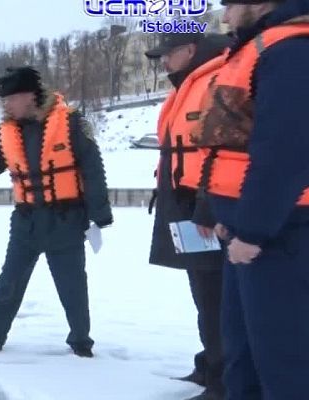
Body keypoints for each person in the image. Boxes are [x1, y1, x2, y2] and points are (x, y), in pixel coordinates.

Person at [0, 66, 113, 358]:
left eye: (11, 98)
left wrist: (100, 212)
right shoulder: (8, 133)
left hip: (65, 220)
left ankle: (81, 341)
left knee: (72, 285)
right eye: (4, 99)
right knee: (10, 282)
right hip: (26, 222)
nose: (6, 104)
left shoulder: (70, 122)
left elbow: (93, 167)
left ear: (30, 95)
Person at [192, 0, 309, 398]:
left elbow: (285, 153)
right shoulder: (261, 47)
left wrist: (254, 231)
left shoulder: (292, 52)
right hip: (249, 228)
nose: (224, 16)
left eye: (230, 6)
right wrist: (236, 220)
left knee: (282, 359)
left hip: (282, 232)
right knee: (242, 351)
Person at [144, 32, 231, 400]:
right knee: (202, 291)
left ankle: (223, 381)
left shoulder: (217, 81)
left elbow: (223, 150)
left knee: (215, 295)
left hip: (206, 207)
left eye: (168, 54)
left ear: (190, 50)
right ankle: (210, 362)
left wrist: (208, 205)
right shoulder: (186, 85)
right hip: (184, 203)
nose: (162, 61)